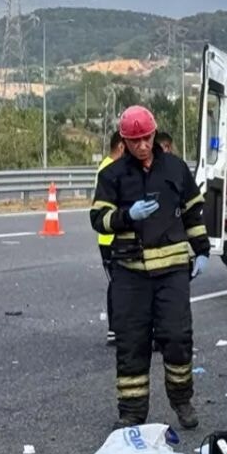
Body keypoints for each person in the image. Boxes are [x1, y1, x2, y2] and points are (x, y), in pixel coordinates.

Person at [90, 106, 210, 430]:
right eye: (135, 141)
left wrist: (202, 250)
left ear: (154, 134)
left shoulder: (175, 168)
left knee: (176, 337)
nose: (142, 146)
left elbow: (193, 213)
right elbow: (98, 218)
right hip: (130, 273)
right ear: (124, 142)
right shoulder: (112, 175)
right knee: (132, 343)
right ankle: (132, 412)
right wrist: (127, 215)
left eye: (146, 138)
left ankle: (182, 400)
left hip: (172, 272)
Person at [96, 132, 125, 345]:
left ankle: (118, 328)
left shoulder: (108, 165)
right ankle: (114, 330)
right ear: (122, 147)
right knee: (117, 284)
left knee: (118, 283)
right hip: (110, 238)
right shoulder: (109, 169)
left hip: (110, 237)